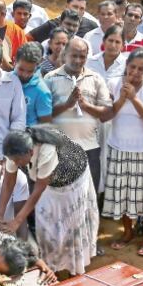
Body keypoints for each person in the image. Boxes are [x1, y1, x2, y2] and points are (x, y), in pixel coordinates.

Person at [0, 127, 98, 276]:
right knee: (46, 227)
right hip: (49, 183)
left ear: (30, 152)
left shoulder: (47, 150)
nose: (16, 163)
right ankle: (52, 268)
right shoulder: (15, 150)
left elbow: (39, 189)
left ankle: (76, 270)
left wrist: (17, 222)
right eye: (13, 160)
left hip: (73, 181)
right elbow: (8, 183)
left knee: (71, 228)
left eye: (18, 160)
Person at [100, 49, 143, 257]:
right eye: (132, 67)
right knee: (123, 194)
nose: (135, 72)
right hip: (119, 147)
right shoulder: (112, 83)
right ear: (126, 66)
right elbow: (107, 115)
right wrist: (121, 98)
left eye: (141, 69)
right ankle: (127, 232)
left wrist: (135, 99)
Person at [45, 38, 112, 196]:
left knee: (89, 196)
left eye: (82, 57)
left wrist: (87, 106)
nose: (77, 61)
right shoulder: (50, 78)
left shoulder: (95, 79)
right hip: (60, 149)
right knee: (63, 197)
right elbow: (43, 114)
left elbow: (107, 112)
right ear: (65, 54)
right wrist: (67, 105)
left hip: (90, 148)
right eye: (73, 56)